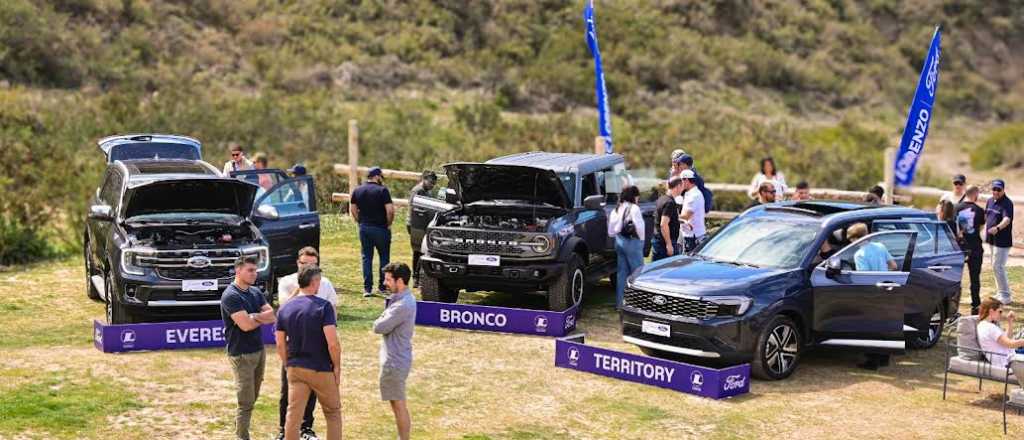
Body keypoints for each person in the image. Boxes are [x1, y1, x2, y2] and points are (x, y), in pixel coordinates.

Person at [275, 247, 337, 440]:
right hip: (294, 345)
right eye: (304, 264)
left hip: (318, 343)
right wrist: (301, 290)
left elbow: (333, 311)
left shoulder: (325, 284)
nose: (308, 267)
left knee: (310, 392)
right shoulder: (286, 282)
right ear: (298, 263)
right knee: (289, 393)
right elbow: (285, 311)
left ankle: (306, 428)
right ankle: (283, 430)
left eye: (312, 265)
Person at [221, 256, 276, 440]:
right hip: (241, 354)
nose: (255, 273)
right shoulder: (231, 296)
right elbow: (245, 325)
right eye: (250, 270)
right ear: (238, 271)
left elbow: (272, 316)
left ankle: (239, 429)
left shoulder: (255, 292)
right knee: (245, 402)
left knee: (253, 398)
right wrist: (258, 317)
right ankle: (242, 436)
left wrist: (253, 316)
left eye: (255, 270)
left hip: (259, 350)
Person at [373, 263, 417, 440]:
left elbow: (379, 326)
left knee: (398, 405)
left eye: (388, 279)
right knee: (397, 404)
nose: (385, 283)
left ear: (400, 281)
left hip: (395, 362)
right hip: (397, 359)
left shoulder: (402, 304)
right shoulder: (400, 299)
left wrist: (380, 319)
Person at [350, 167, 395, 297]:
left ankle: (367, 289)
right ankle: (382, 286)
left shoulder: (357, 190)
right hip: (381, 228)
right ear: (377, 177)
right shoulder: (383, 190)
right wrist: (388, 223)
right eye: (381, 177)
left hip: (365, 228)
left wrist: (360, 221)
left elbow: (353, 208)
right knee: (384, 258)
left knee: (367, 258)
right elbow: (390, 211)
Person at [608, 185, 644, 308]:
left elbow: (610, 231)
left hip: (619, 241)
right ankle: (638, 304)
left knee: (622, 274)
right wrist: (642, 241)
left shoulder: (616, 209)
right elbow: (639, 227)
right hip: (633, 242)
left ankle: (620, 304)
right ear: (634, 196)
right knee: (637, 273)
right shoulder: (634, 208)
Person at [975, 297, 1024, 388]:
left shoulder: (984, 325)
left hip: (1008, 358)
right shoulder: (990, 328)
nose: (1001, 314)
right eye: (999, 311)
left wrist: (1010, 322)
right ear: (991, 311)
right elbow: (1010, 344)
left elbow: (1007, 339)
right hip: (1007, 361)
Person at [956, 185, 986, 315]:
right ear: (976, 195)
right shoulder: (979, 210)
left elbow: (953, 228)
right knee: (975, 278)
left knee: (955, 279)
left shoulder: (956, 208)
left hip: (958, 247)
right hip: (975, 247)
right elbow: (980, 227)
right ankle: (975, 305)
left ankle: (953, 308)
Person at [407, 170, 438, 288]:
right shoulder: (418, 190)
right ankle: (416, 279)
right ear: (424, 179)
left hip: (423, 224)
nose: (432, 185)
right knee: (418, 251)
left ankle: (418, 277)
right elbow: (415, 208)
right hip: (416, 224)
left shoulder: (427, 191)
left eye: (434, 183)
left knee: (422, 251)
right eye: (431, 182)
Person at [986, 179, 1014, 305]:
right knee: (994, 266)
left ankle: (1006, 295)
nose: (996, 192)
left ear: (1003, 190)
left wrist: (997, 228)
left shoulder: (1007, 203)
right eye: (994, 189)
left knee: (998, 266)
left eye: (998, 189)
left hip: (1002, 240)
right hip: (992, 239)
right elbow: (987, 216)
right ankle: (1000, 292)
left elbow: (1007, 219)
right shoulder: (990, 201)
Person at [652, 178, 684, 261]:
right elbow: (663, 224)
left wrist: (681, 221)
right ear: (678, 186)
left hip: (658, 240)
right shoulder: (670, 203)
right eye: (682, 186)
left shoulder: (661, 199)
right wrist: (669, 244)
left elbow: (665, 219)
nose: (682, 189)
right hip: (664, 243)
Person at [678, 170, 706, 253]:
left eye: (681, 181)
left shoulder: (694, 195)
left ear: (686, 180)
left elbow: (686, 216)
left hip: (693, 237)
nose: (680, 184)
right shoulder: (690, 193)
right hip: (689, 234)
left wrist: (670, 215)